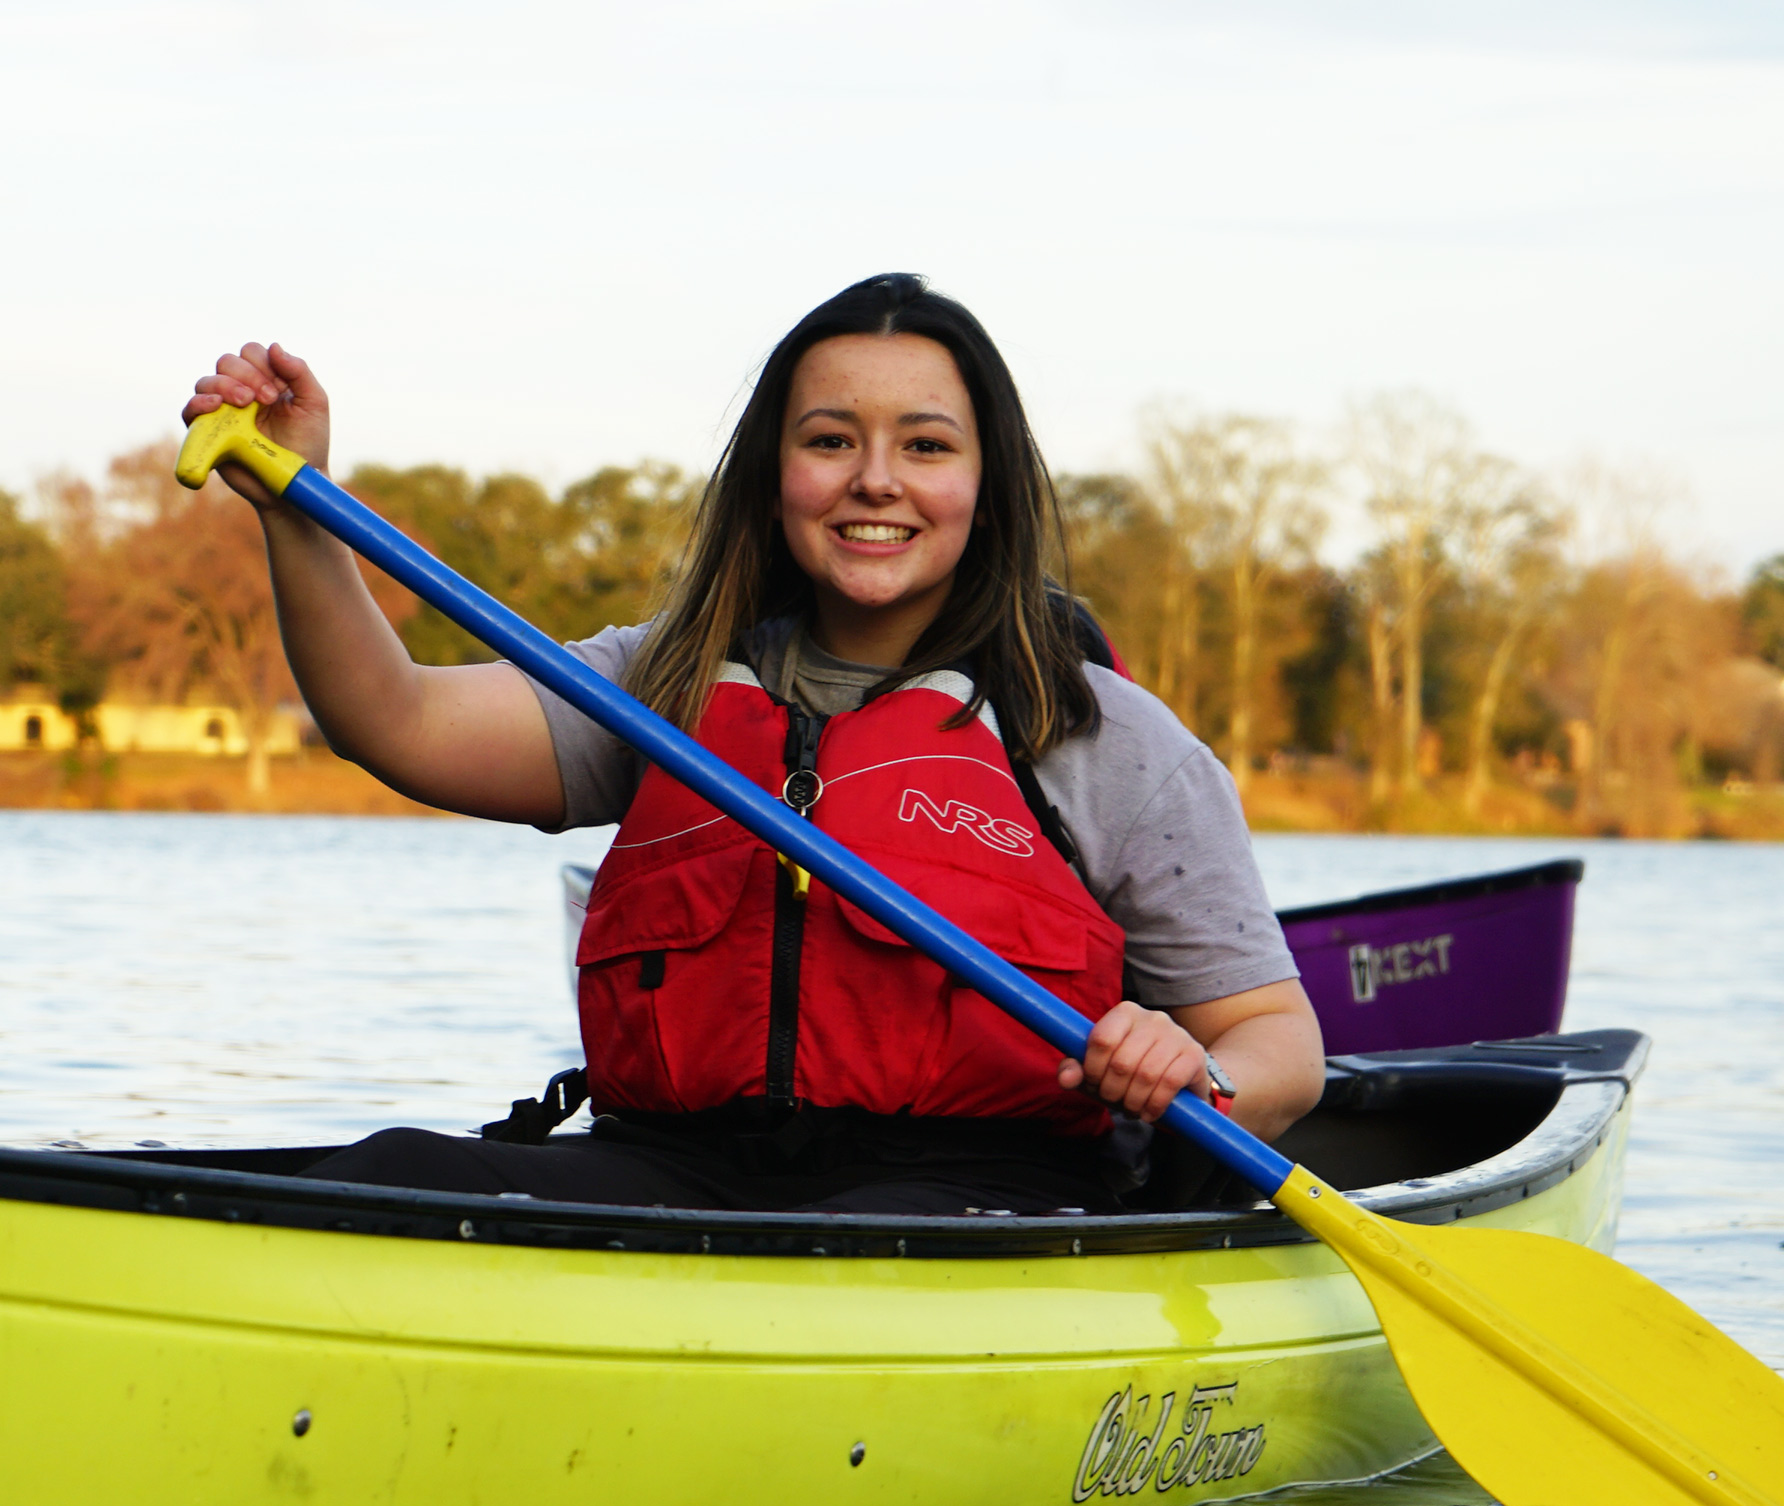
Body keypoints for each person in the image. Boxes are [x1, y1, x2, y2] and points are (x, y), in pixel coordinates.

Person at [183, 273, 1323, 1215]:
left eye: (925, 445)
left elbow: (1279, 1039)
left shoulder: (1103, 736)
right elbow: (398, 721)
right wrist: (299, 509)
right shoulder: (664, 684)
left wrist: (1197, 1070)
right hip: (677, 1171)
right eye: (831, 440)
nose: (876, 478)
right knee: (397, 1173)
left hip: (979, 1190)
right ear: (776, 475)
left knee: (870, 1237)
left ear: (987, 483)